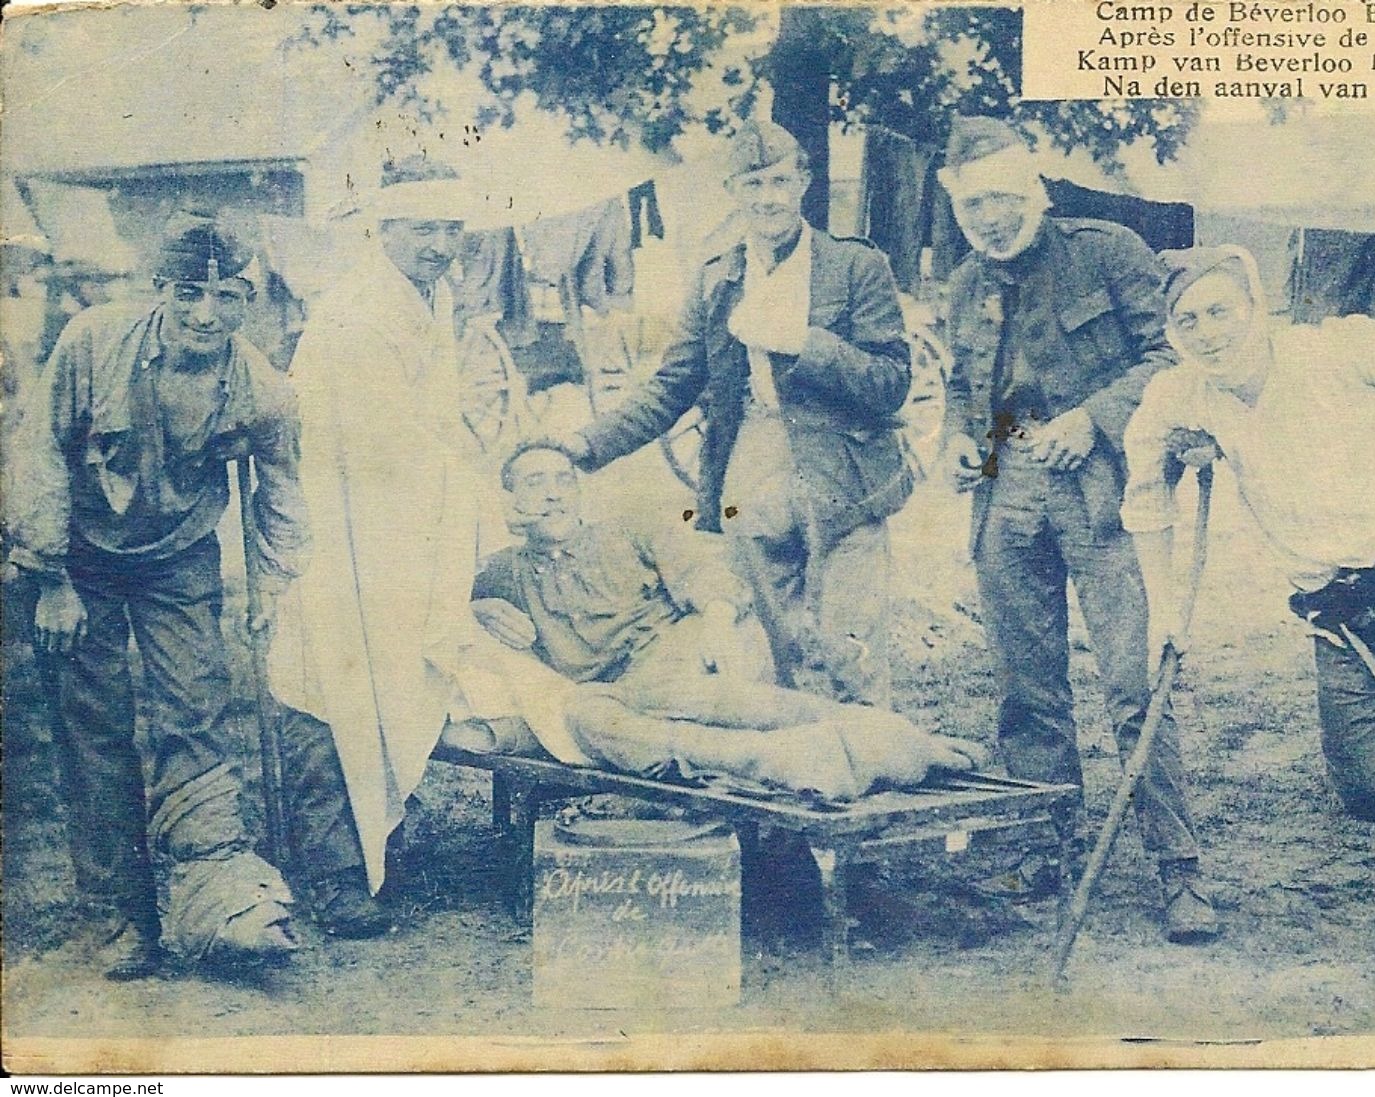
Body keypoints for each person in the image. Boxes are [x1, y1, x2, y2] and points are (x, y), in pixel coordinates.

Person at [1122, 246, 1375, 1008]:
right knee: (1369, 790)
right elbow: (1143, 502)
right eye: (1185, 319)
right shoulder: (1178, 398)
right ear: (1168, 332)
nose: (1205, 331)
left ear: (1255, 308)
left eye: (1219, 311)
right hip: (1342, 615)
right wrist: (1165, 609)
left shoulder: (1331, 351)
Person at [937, 116, 1216, 942]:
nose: (990, 216)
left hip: (1106, 495)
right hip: (1005, 499)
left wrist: (1094, 418)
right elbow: (962, 388)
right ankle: (1041, 851)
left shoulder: (1106, 249)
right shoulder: (961, 285)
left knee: (1135, 685)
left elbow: (1170, 358)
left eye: (1002, 196)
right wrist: (958, 440)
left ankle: (1180, 870)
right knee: (1028, 690)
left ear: (1037, 190)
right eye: (973, 204)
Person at [5, 216, 308, 978]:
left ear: (248, 298)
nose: (207, 313)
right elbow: (37, 447)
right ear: (159, 292)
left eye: (227, 296)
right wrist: (50, 579)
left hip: (179, 556)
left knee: (198, 712)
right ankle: (119, 917)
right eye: (189, 294)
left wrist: (269, 582)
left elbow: (281, 484)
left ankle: (215, 898)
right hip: (78, 555)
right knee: (95, 730)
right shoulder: (92, 341)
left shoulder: (263, 387)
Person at [549, 121, 914, 708]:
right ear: (733, 190)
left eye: (778, 182)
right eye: (753, 185)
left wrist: (806, 343)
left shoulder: (854, 267)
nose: (767, 198)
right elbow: (673, 386)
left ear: (802, 183)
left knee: (852, 645)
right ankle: (798, 774)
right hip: (749, 470)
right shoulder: (718, 278)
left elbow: (892, 382)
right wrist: (585, 444)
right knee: (771, 645)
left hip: (844, 471)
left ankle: (869, 773)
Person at [445, 442, 984, 806]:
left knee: (750, 707)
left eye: (564, 480)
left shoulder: (625, 528)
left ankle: (908, 745)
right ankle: (794, 759)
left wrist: (719, 622)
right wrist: (476, 608)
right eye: (535, 484)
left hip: (680, 658)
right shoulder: (503, 572)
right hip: (615, 694)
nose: (554, 493)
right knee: (586, 715)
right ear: (511, 502)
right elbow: (425, 597)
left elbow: (703, 569)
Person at [267, 159, 497, 935]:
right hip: (340, 531)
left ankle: (382, 847)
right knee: (331, 684)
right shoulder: (357, 313)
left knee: (393, 681)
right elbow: (377, 440)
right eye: (423, 229)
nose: (439, 245)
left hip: (399, 532)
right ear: (383, 229)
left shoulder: (426, 299)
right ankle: (332, 871)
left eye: (451, 230)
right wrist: (459, 464)